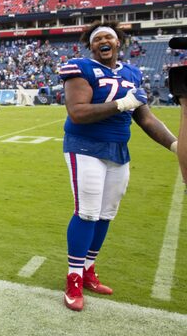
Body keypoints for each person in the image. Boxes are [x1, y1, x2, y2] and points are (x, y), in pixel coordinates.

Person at [59, 20, 178, 312]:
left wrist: (176, 146)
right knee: (87, 212)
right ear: (90, 45)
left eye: (108, 37)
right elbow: (77, 112)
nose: (103, 41)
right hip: (85, 147)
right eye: (97, 38)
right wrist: (122, 104)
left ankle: (88, 270)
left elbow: (146, 118)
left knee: (105, 214)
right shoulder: (80, 68)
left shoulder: (132, 73)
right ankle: (73, 278)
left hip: (118, 150)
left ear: (118, 42)